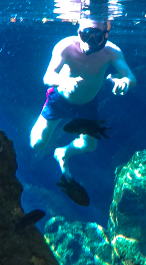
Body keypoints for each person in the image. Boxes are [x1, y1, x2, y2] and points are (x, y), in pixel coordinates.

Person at [30, 18, 136, 181]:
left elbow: (130, 77)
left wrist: (125, 82)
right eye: (85, 35)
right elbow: (47, 76)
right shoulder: (65, 45)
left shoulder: (111, 51)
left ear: (105, 35)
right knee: (36, 143)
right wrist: (62, 81)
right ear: (78, 29)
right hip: (59, 99)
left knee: (89, 145)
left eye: (97, 37)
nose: (89, 42)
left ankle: (62, 152)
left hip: (87, 104)